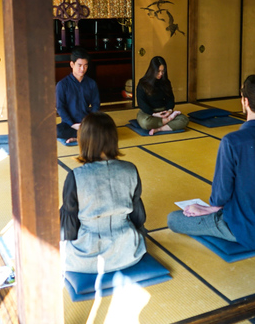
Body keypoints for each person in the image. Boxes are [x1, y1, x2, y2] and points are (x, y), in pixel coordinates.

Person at [167, 75, 255, 249]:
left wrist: (211, 208)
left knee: (173, 219)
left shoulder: (232, 141)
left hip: (240, 227)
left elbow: (220, 195)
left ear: (245, 101)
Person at [60, 112, 147, 273]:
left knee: (62, 213)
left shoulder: (76, 176)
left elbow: (69, 229)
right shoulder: (130, 169)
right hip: (128, 251)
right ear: (114, 138)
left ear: (83, 141)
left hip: (85, 257)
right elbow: (139, 217)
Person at [56, 47, 101, 144]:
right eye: (79, 65)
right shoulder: (62, 84)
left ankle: (78, 137)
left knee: (106, 127)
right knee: (56, 131)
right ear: (72, 64)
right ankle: (83, 137)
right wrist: (72, 124)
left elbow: (96, 104)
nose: (82, 69)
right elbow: (60, 107)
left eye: (85, 65)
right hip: (69, 124)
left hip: (87, 123)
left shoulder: (91, 83)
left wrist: (88, 122)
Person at [136, 56, 189, 135]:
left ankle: (159, 129)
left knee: (184, 120)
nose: (161, 74)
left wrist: (169, 111)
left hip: (164, 111)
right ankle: (169, 121)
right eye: (158, 71)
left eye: (163, 71)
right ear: (152, 70)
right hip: (148, 113)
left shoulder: (165, 82)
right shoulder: (143, 83)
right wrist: (154, 114)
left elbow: (170, 99)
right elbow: (141, 103)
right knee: (145, 123)